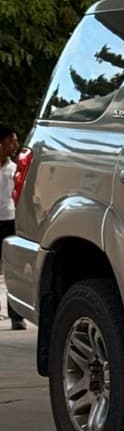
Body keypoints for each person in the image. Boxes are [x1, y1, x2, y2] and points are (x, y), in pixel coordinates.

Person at [0, 124, 26, 330]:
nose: (15, 144)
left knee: (13, 270)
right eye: (12, 140)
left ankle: (16, 316)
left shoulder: (15, 169)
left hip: (11, 222)